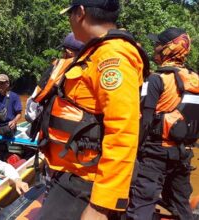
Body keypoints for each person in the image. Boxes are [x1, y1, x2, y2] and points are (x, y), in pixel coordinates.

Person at [37, 0, 149, 219]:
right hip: (73, 175)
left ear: (80, 13)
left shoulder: (113, 57)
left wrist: (101, 204)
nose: (69, 21)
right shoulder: (96, 51)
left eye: (70, 14)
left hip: (87, 183)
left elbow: (123, 131)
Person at [127, 27, 198, 220]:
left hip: (153, 153)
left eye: (158, 44)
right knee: (182, 205)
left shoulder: (156, 79)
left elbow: (146, 121)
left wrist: (133, 150)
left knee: (141, 205)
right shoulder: (194, 78)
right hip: (181, 153)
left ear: (167, 49)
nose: (154, 48)